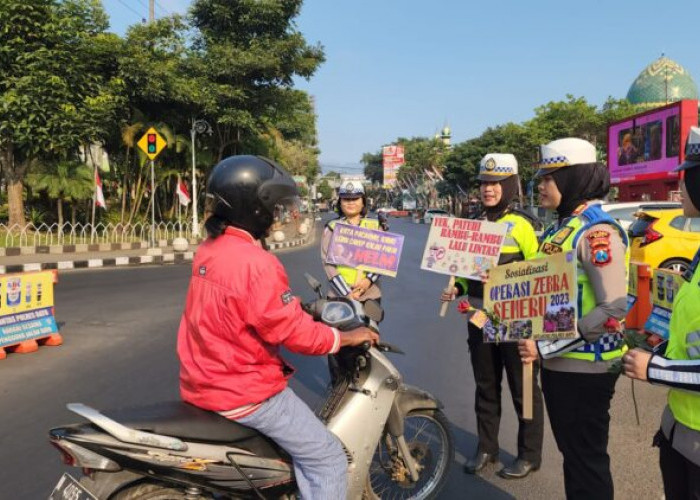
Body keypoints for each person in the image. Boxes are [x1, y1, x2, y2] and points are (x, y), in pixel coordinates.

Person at [177, 156, 378, 499]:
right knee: (328, 458)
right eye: (275, 207)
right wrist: (343, 337)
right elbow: (293, 334)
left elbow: (243, 309)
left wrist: (291, 306)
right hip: (244, 390)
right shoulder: (258, 263)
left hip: (202, 380)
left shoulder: (210, 250)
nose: (280, 216)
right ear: (255, 208)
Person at [518, 138, 629, 500]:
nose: (542, 186)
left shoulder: (597, 232)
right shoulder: (562, 227)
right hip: (559, 364)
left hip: (585, 369)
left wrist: (546, 343)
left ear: (573, 178)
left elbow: (613, 307)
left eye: (549, 177)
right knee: (573, 458)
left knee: (586, 461)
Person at [441, 153, 544, 479]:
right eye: (484, 183)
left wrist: (502, 276)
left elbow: (541, 274)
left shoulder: (524, 226)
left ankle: (529, 454)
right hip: (479, 315)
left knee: (523, 387)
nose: (488, 189)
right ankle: (487, 447)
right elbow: (462, 272)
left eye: (496, 183)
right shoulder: (473, 224)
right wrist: (456, 288)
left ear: (510, 185)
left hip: (516, 319)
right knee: (486, 385)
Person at [622, 126, 700, 500]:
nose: (681, 186)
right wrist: (663, 345)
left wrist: (654, 368)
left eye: (690, 176)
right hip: (681, 434)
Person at [321, 180, 383, 303]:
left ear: (363, 201)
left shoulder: (376, 227)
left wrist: (368, 281)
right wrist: (347, 293)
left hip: (370, 296)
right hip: (338, 296)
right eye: (346, 199)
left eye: (355, 199)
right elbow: (328, 265)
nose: (351, 203)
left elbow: (383, 259)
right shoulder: (332, 228)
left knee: (369, 323)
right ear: (340, 202)